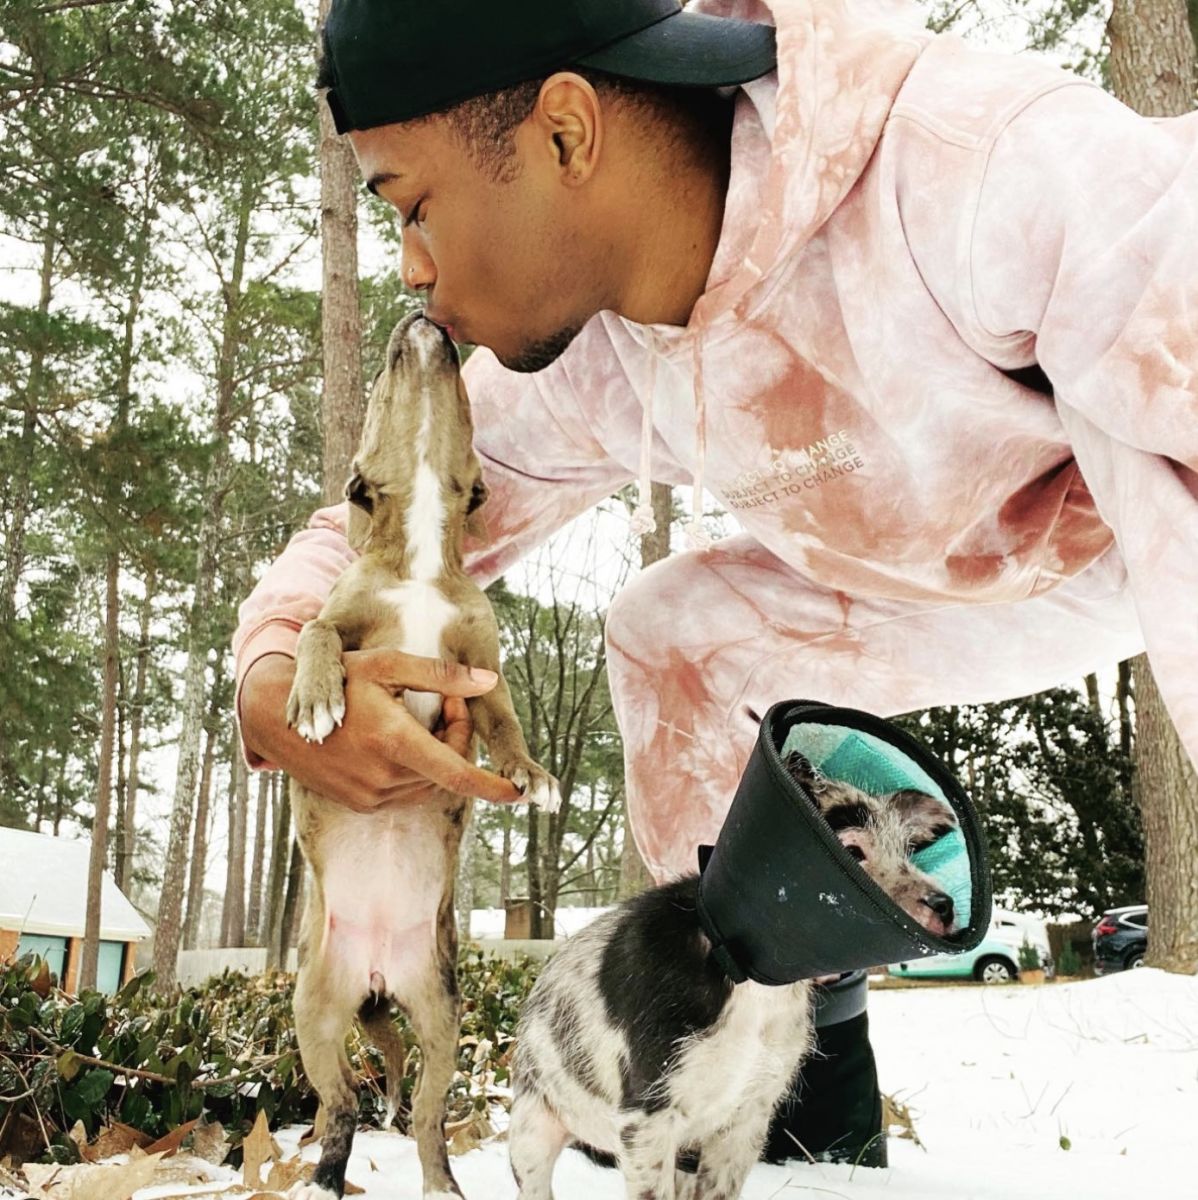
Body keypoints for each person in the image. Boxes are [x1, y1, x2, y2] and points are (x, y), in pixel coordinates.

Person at [235, 0, 1198, 1171]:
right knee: (670, 633)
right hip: (885, 581)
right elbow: (374, 534)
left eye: (412, 203)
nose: (411, 266)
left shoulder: (986, 168)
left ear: (565, 133)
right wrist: (273, 680)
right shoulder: (592, 360)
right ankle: (776, 1083)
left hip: (1115, 537)